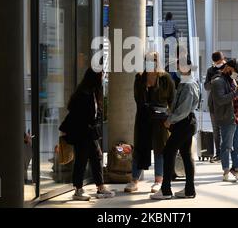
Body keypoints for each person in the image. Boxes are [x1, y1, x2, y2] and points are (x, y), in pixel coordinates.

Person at [59, 68, 115, 201]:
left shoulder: (93, 92)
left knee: (96, 158)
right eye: (101, 75)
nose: (103, 77)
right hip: (82, 133)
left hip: (89, 133)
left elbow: (94, 116)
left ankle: (100, 187)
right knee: (81, 160)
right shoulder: (83, 94)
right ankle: (78, 189)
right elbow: (77, 116)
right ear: (94, 77)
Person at [125, 52, 175, 194]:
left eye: (153, 60)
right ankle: (134, 179)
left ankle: (158, 181)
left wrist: (171, 120)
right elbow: (137, 99)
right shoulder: (140, 78)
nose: (150, 62)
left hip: (160, 120)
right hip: (143, 118)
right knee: (140, 148)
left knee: (160, 149)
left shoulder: (165, 78)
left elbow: (172, 100)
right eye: (147, 60)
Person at [151, 58, 199, 200]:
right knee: (185, 154)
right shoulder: (186, 82)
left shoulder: (188, 85)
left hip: (184, 123)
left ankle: (166, 189)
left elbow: (183, 109)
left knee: (168, 152)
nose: (176, 69)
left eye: (178, 67)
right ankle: (189, 190)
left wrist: (169, 120)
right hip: (185, 123)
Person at [211, 59, 238, 182]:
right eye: (235, 71)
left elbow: (235, 98)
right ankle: (225, 171)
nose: (236, 74)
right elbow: (220, 100)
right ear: (228, 68)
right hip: (226, 118)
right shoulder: (217, 82)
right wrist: (237, 91)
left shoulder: (232, 80)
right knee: (226, 146)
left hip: (236, 117)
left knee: (237, 145)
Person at [204, 51, 226, 163]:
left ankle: (228, 153)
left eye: (220, 62)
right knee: (216, 130)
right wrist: (213, 80)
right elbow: (206, 86)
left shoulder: (228, 68)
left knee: (227, 130)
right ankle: (218, 154)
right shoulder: (210, 70)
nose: (218, 64)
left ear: (224, 59)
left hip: (226, 104)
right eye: (216, 62)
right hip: (213, 104)